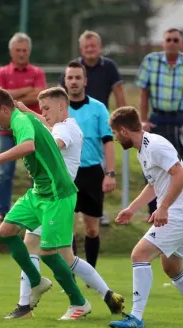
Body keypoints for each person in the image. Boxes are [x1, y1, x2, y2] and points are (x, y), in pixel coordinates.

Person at [0, 88, 90, 320]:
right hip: (39, 193)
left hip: (58, 194)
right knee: (5, 231)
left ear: (5, 109)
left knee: (47, 253)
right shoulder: (21, 120)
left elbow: (28, 146)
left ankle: (79, 302)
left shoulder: (21, 120)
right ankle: (37, 282)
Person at [6, 87, 124, 319]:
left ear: (62, 106)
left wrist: (26, 139)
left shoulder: (64, 129)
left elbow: (53, 142)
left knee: (41, 249)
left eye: (47, 108)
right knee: (57, 254)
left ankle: (29, 306)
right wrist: (31, 114)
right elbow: (50, 128)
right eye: (42, 109)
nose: (44, 113)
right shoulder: (68, 125)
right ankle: (107, 294)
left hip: (55, 199)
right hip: (53, 197)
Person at [107, 106, 183, 328]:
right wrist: (132, 208)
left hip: (178, 214)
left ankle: (135, 317)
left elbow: (181, 175)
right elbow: (156, 183)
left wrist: (163, 207)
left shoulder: (155, 145)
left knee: (140, 254)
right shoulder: (142, 149)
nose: (115, 138)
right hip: (181, 214)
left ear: (124, 130)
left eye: (115, 133)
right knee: (172, 267)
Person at [135, 28, 183, 215]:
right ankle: (153, 210)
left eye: (176, 40)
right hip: (157, 116)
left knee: (176, 164)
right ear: (163, 42)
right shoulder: (151, 61)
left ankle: (173, 210)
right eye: (169, 39)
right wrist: (143, 119)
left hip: (179, 118)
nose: (172, 43)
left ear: (181, 43)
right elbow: (143, 92)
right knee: (152, 162)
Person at [60, 30, 126, 227]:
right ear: (81, 49)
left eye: (93, 46)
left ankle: (97, 212)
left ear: (100, 47)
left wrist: (123, 120)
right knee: (66, 219)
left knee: (98, 165)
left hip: (98, 121)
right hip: (72, 122)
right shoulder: (73, 69)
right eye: (86, 46)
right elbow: (56, 96)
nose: (90, 49)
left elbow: (119, 93)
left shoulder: (109, 67)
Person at [64, 61, 116, 271]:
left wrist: (110, 172)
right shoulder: (59, 108)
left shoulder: (98, 108)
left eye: (78, 77)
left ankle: (91, 272)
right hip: (66, 174)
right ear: (65, 81)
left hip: (92, 173)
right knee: (67, 228)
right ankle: (73, 274)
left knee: (91, 228)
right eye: (70, 78)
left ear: (85, 81)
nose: (74, 82)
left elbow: (108, 140)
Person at [0, 33, 47, 223]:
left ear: (29, 51)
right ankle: (2, 212)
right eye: (18, 50)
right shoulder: (2, 73)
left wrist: (11, 97)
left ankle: (38, 209)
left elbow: (40, 95)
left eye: (24, 50)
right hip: (9, 131)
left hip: (32, 130)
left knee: (36, 173)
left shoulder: (38, 72)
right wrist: (26, 91)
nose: (21, 54)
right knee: (5, 172)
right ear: (11, 51)